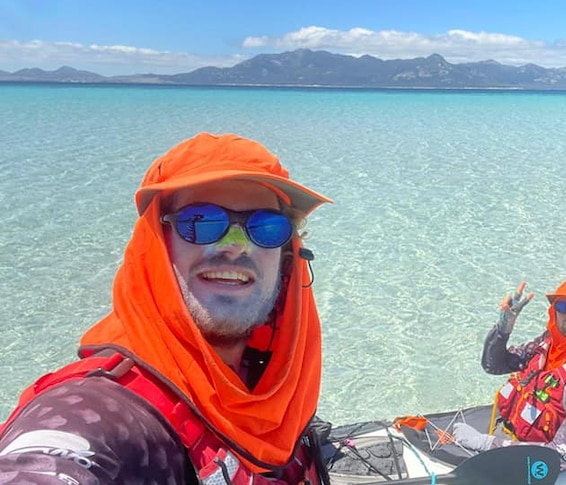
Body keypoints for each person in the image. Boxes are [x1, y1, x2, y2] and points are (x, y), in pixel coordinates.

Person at [0, 133, 333, 484]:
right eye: (201, 221)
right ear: (155, 245)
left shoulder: (270, 387)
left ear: (286, 257)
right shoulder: (101, 409)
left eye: (265, 227)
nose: (236, 247)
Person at [452, 279, 566, 470]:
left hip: (547, 459)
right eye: (563, 306)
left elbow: (564, 454)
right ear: (554, 311)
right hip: (513, 435)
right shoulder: (548, 342)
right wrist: (503, 329)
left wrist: (486, 444)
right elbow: (493, 365)